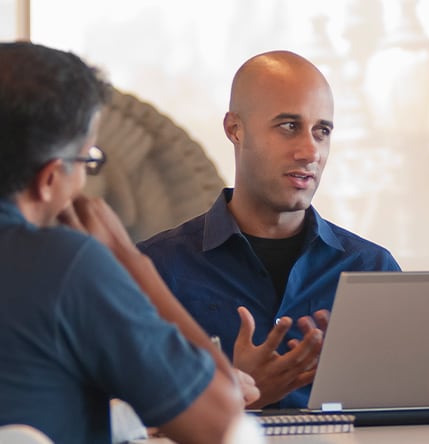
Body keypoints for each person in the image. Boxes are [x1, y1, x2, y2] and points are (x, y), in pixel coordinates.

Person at [0, 42, 258, 444]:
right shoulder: (66, 265)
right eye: (88, 161)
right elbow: (225, 423)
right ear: (49, 179)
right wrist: (128, 260)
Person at [138, 50, 401, 409]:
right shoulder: (156, 269)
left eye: (322, 131)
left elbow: (406, 408)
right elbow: (127, 418)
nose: (310, 151)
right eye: (289, 126)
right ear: (235, 129)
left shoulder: (372, 269)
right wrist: (237, 394)